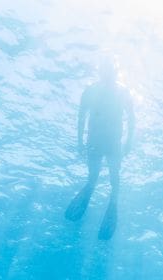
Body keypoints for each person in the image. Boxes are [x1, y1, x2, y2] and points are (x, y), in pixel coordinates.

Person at [64, 60, 135, 240]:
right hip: (99, 142)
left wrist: (129, 141)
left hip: (109, 143)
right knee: (98, 178)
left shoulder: (120, 92)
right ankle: (110, 197)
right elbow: (81, 117)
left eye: (111, 71)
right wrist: (79, 141)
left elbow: (131, 118)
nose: (109, 75)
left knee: (112, 179)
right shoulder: (92, 91)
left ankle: (112, 199)